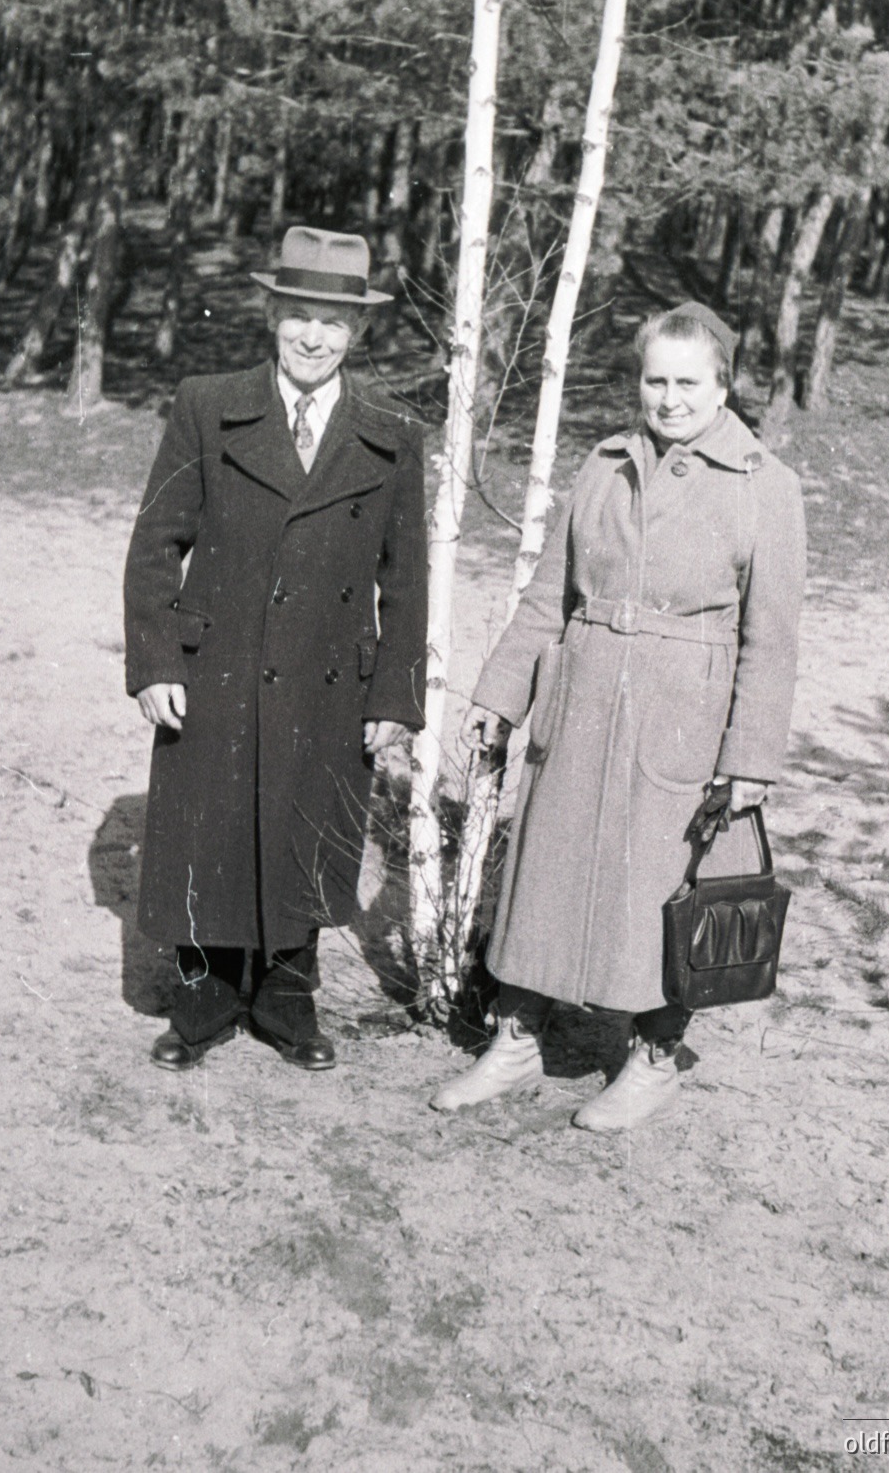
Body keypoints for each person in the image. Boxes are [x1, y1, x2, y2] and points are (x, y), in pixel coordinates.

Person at [430, 301, 806, 1130]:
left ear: (722, 386)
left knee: (661, 891)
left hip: (684, 722)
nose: (668, 399)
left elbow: (770, 639)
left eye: (687, 382)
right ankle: (517, 1039)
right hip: (582, 699)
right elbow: (545, 598)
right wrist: (499, 695)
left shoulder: (764, 486)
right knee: (544, 877)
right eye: (654, 380)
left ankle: (654, 1056)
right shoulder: (603, 464)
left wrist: (748, 757)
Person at [124, 227, 427, 1071]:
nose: (314, 338)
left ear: (357, 332)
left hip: (329, 678)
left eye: (333, 323)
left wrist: (395, 698)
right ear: (271, 315)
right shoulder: (207, 403)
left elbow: (407, 579)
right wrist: (154, 660)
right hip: (215, 666)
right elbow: (156, 543)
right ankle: (204, 1002)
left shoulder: (391, 431)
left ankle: (289, 1003)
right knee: (208, 833)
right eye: (299, 316)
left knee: (307, 830)